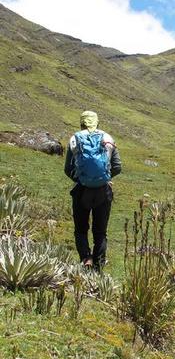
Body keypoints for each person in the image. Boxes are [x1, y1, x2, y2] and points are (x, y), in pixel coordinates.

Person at [64, 111, 121, 270]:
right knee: (100, 232)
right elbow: (117, 166)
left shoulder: (75, 139)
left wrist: (81, 179)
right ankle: (98, 266)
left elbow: (68, 169)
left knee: (81, 230)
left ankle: (86, 258)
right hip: (103, 191)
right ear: (97, 123)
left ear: (81, 123)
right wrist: (106, 178)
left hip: (82, 191)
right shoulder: (108, 139)